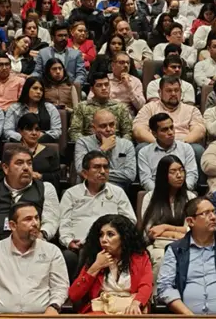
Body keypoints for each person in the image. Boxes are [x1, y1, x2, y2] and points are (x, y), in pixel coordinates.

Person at [0, 201, 67, 314]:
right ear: (12, 225)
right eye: (28, 219)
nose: (35, 223)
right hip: (0, 316)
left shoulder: (52, 251)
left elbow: (60, 287)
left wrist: (53, 307)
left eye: (37, 218)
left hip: (41, 316)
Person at [60, 150, 135, 281]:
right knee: (69, 256)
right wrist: (68, 241)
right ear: (84, 173)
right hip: (79, 246)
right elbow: (64, 222)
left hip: (110, 245)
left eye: (105, 167)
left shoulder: (117, 192)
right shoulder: (71, 194)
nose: (102, 171)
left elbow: (130, 220)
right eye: (97, 167)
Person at [68, 214, 152, 314]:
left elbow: (146, 285)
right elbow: (74, 295)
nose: (103, 240)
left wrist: (136, 303)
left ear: (124, 237)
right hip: (100, 310)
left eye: (110, 234)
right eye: (101, 235)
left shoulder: (140, 257)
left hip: (129, 309)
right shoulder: (94, 258)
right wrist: (96, 266)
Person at [140, 156, 196, 275]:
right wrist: (179, 233)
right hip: (157, 246)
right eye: (173, 171)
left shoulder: (190, 197)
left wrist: (165, 228)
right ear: (163, 175)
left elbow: (193, 230)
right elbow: (151, 232)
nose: (179, 175)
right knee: (161, 257)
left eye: (181, 170)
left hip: (185, 244)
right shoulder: (150, 198)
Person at [134, 77, 206, 161]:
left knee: (198, 150)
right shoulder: (149, 108)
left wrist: (180, 144)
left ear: (181, 92)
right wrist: (159, 143)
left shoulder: (191, 110)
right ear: (159, 92)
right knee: (141, 148)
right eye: (169, 91)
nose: (173, 93)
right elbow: (138, 130)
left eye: (176, 90)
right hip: (155, 145)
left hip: (184, 145)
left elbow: (199, 130)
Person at [72, 109, 136, 188]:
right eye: (103, 126)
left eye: (112, 125)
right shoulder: (83, 143)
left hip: (116, 190)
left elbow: (130, 175)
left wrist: (95, 173)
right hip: (89, 189)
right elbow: (81, 170)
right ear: (93, 128)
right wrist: (102, 149)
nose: (108, 129)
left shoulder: (126, 145)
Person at [137, 112, 198, 192]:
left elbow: (192, 175)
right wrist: (161, 194)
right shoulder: (144, 153)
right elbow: (146, 180)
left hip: (183, 193)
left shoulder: (186, 148)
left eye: (171, 127)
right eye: (164, 130)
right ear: (154, 134)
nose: (170, 132)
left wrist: (182, 192)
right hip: (156, 195)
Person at [2, 77, 61, 143]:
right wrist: (22, 137)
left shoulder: (50, 108)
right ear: (27, 89)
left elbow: (57, 131)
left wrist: (41, 135)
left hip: (44, 144)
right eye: (35, 88)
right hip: (20, 144)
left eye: (41, 90)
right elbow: (7, 130)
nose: (39, 92)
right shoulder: (14, 108)